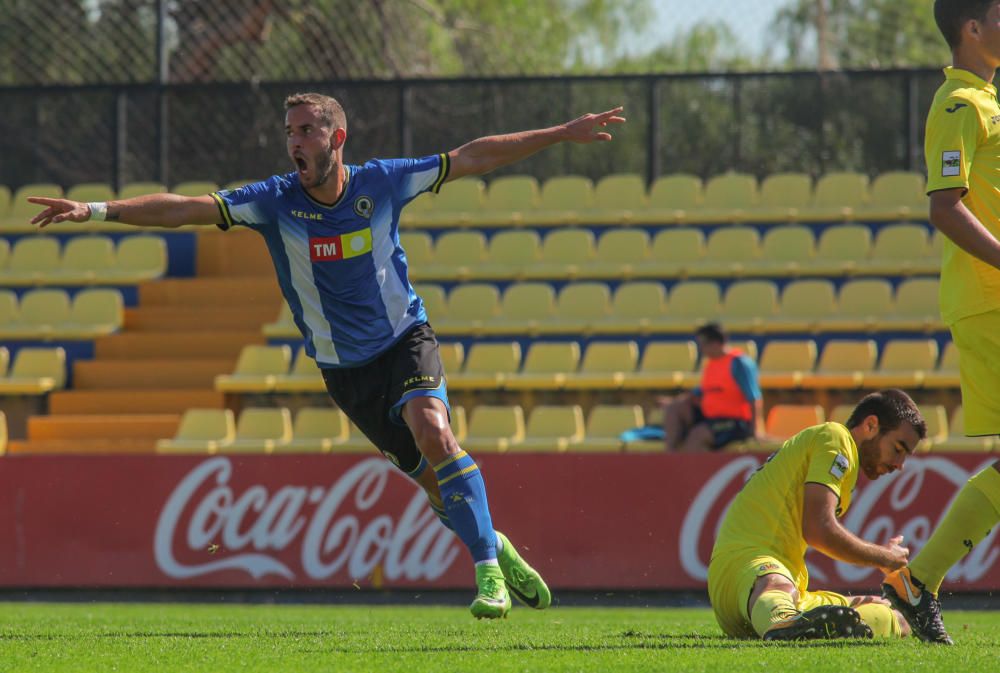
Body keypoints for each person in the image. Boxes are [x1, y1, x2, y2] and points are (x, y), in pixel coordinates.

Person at [27, 92, 627, 619]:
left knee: (435, 434)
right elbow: (186, 208)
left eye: (306, 130)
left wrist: (559, 134)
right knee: (434, 486)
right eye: (289, 132)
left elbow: (473, 156)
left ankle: (487, 577)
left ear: (336, 138)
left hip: (405, 341)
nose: (294, 142)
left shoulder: (384, 181)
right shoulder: (274, 200)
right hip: (345, 372)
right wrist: (96, 211)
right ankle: (494, 544)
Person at [878, 0, 1000, 645]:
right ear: (972, 29)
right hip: (992, 298)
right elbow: (945, 207)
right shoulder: (958, 104)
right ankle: (917, 579)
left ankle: (917, 579)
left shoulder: (985, 101)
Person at [707, 389, 926, 641]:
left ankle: (812, 628)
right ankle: (783, 623)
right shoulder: (836, 437)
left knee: (895, 615)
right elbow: (818, 530)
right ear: (870, 425)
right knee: (777, 587)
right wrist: (885, 558)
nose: (900, 464)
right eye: (898, 449)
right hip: (747, 569)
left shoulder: (843, 464)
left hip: (772, 596)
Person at [659, 323, 763, 451]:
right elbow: (700, 392)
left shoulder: (739, 363)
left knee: (698, 435)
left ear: (715, 343)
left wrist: (755, 430)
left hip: (735, 422)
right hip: (712, 419)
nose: (701, 349)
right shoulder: (711, 364)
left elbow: (754, 397)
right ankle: (669, 456)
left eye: (703, 344)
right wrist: (674, 402)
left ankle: (689, 469)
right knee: (674, 409)